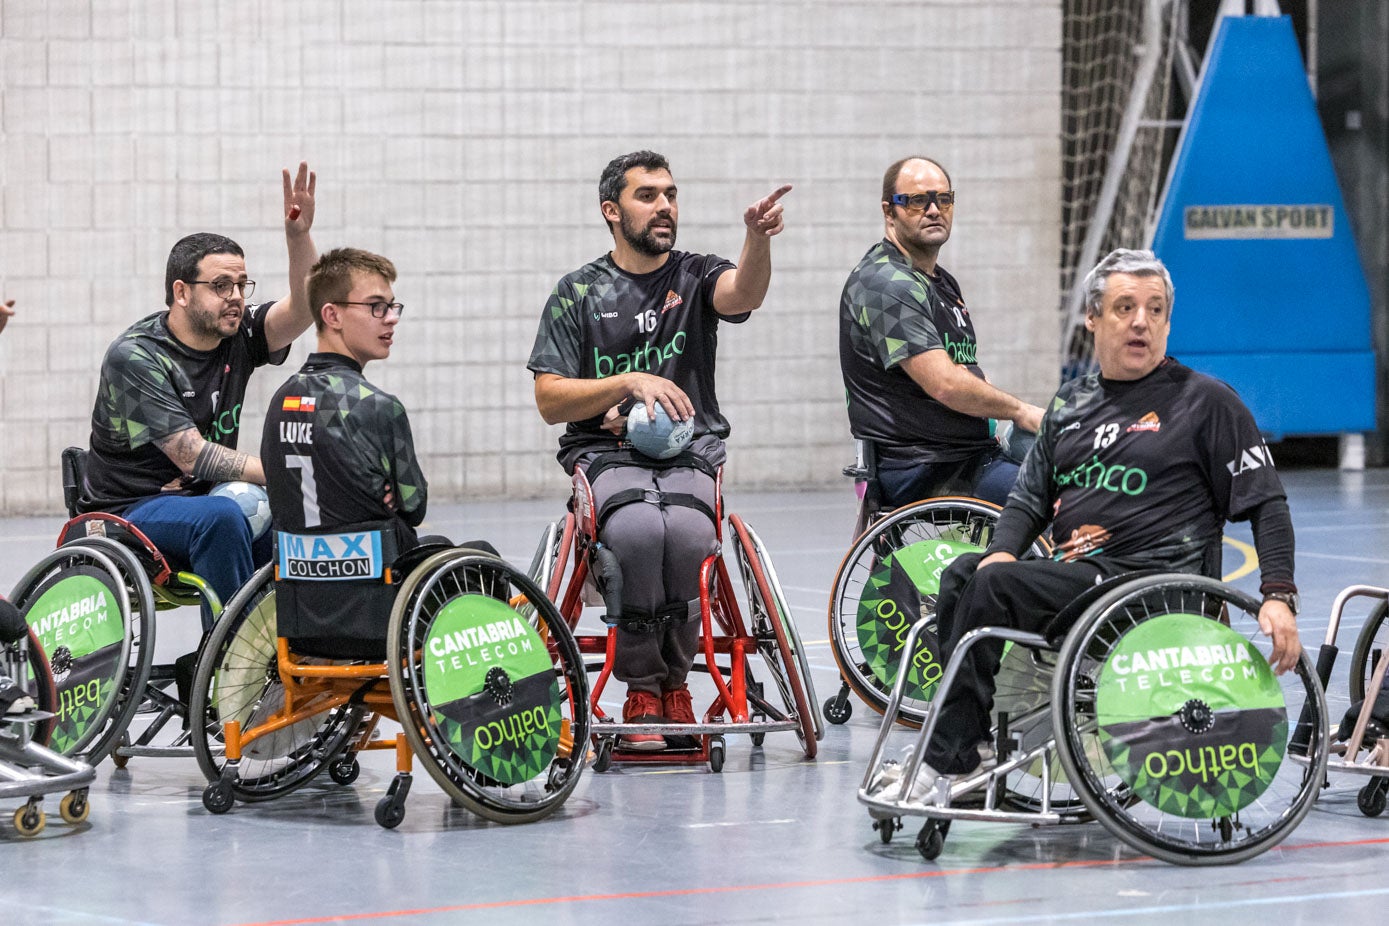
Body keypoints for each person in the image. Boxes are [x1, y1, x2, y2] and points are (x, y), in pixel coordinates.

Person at [872, 248, 1301, 802]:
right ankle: (967, 741)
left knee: (992, 584)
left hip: (1151, 588)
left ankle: (944, 756)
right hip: (1081, 582)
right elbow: (1029, 498)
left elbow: (1267, 503)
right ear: (1093, 320)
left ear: (1168, 322)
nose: (1140, 321)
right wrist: (1003, 549)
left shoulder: (1208, 404)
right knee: (966, 573)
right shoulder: (1071, 403)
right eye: (1124, 307)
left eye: (1154, 310)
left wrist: (1279, 595)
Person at [527, 150, 790, 750]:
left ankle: (677, 682)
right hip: (605, 454)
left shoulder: (695, 275)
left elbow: (742, 293)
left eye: (670, 193)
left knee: (694, 538)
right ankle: (643, 681)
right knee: (642, 533)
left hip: (690, 453)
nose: (665, 205)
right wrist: (627, 383)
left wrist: (757, 240)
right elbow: (550, 399)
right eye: (648, 195)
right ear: (611, 211)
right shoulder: (579, 293)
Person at [77, 163, 318, 631]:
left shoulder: (239, 334)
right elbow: (193, 457)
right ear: (182, 292)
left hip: (200, 497)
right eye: (221, 286)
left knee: (299, 523)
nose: (236, 297)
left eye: (242, 285)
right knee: (222, 519)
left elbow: (306, 307)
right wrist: (284, 472)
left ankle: (289, 653)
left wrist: (298, 238)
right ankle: (229, 669)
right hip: (127, 511)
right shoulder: (136, 356)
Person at [839, 156, 1045, 509]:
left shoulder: (941, 282)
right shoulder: (887, 284)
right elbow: (946, 384)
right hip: (927, 467)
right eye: (918, 201)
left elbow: (966, 372)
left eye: (944, 199)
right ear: (890, 212)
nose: (934, 210)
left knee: (1080, 461)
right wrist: (1019, 411)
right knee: (1060, 500)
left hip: (969, 452)